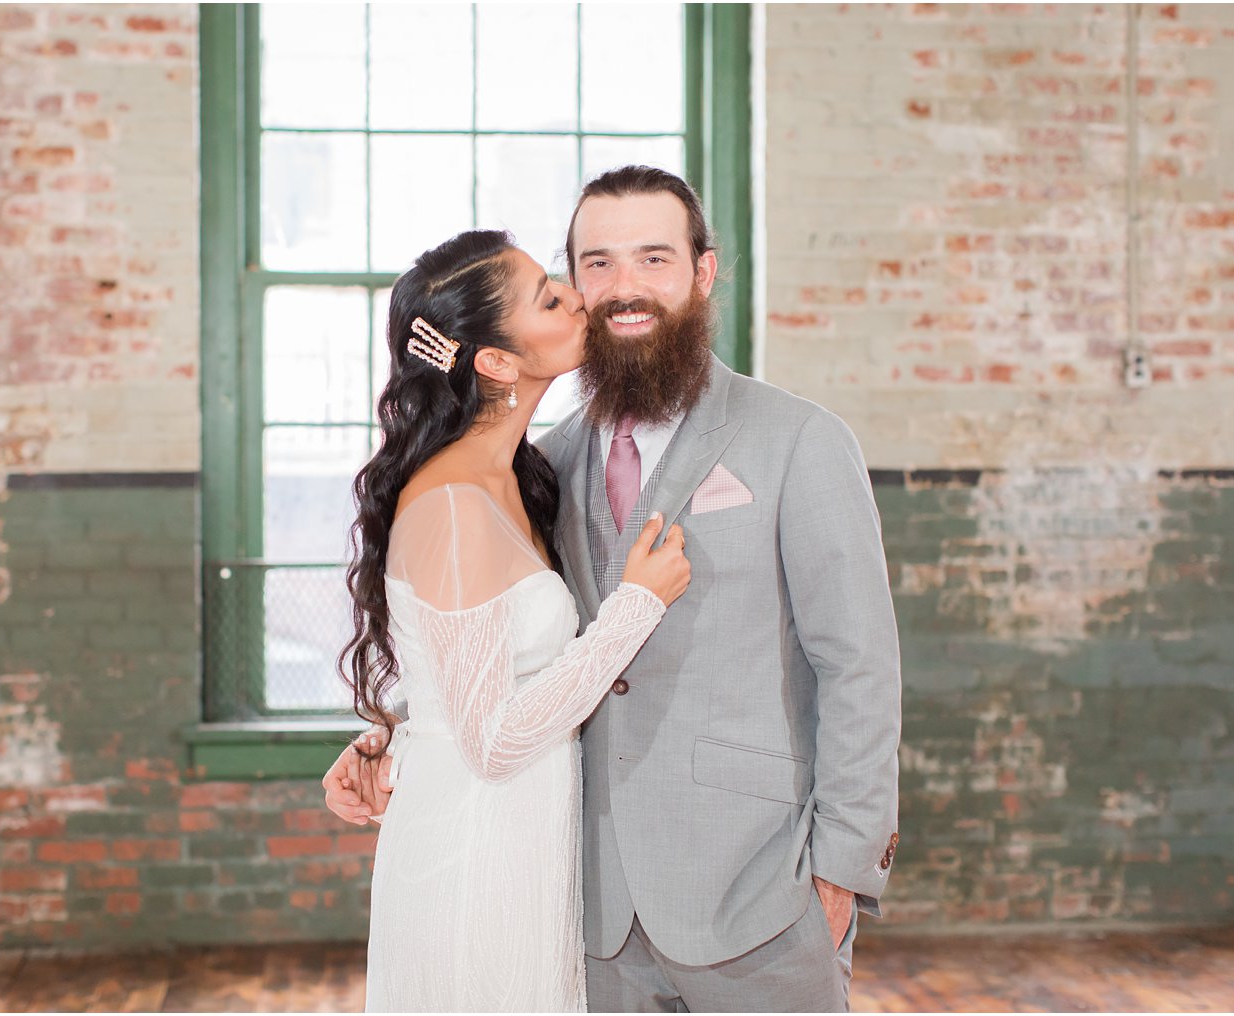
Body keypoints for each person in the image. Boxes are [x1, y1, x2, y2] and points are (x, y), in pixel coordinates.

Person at [329, 167, 902, 1013]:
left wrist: (841, 871)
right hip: (580, 904)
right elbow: (493, 656)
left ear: (702, 273)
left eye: (654, 259)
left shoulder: (801, 441)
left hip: (759, 896)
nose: (623, 287)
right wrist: (405, 741)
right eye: (595, 264)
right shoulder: (542, 466)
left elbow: (858, 666)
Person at [337, 228, 692, 1012]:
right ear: (496, 362)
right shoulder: (455, 504)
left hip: (524, 839)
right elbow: (492, 743)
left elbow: (467, 664)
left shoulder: (522, 473)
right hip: (474, 849)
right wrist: (635, 607)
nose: (576, 295)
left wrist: (390, 732)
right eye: (548, 296)